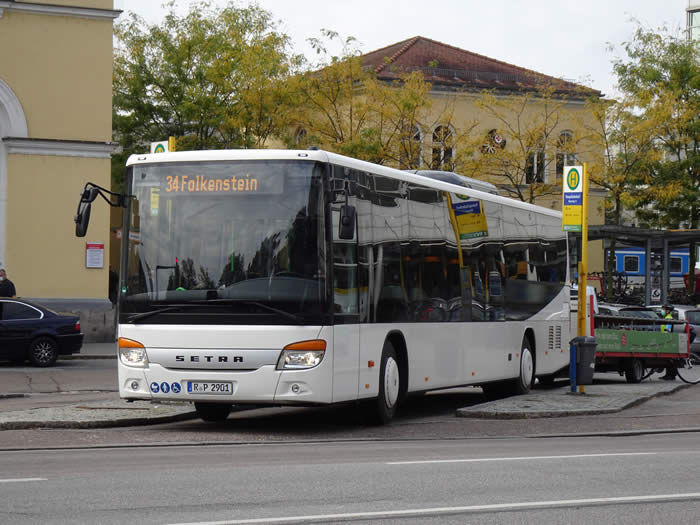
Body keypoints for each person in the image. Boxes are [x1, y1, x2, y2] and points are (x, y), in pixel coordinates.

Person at [660, 304, 677, 380]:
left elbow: (668, 330)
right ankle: (668, 374)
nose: (662, 311)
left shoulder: (669, 318)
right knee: (667, 358)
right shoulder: (666, 318)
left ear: (668, 311)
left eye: (663, 309)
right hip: (665, 339)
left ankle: (671, 375)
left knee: (670, 359)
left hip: (668, 339)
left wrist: (664, 337)